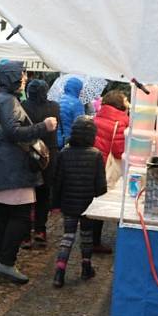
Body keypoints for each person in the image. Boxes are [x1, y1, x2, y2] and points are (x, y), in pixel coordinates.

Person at [0, 61, 57, 284]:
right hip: (12, 168)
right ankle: (6, 263)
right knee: (21, 216)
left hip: (1, 166)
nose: (24, 78)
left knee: (3, 215)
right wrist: (45, 126)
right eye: (22, 75)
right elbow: (14, 132)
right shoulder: (8, 101)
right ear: (12, 77)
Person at [51, 116, 107, 288]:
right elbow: (100, 185)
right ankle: (86, 267)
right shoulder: (96, 155)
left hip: (68, 203)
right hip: (88, 204)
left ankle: (59, 273)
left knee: (67, 237)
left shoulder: (64, 154)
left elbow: (57, 181)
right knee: (87, 237)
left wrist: (55, 204)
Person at [20, 79, 61, 247]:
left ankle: (24, 234)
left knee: (26, 195)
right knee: (44, 194)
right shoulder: (54, 107)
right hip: (48, 155)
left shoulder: (22, 106)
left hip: (27, 154)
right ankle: (40, 230)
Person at [91, 90, 131, 253]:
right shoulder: (122, 121)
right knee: (117, 203)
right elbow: (119, 150)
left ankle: (93, 241)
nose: (128, 102)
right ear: (120, 103)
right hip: (110, 167)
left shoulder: (96, 117)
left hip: (94, 165)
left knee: (96, 202)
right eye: (126, 100)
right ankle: (123, 242)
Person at [58, 77, 85, 148]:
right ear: (76, 88)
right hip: (68, 141)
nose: (81, 91)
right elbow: (81, 125)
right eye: (81, 89)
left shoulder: (58, 99)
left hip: (55, 139)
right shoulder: (77, 103)